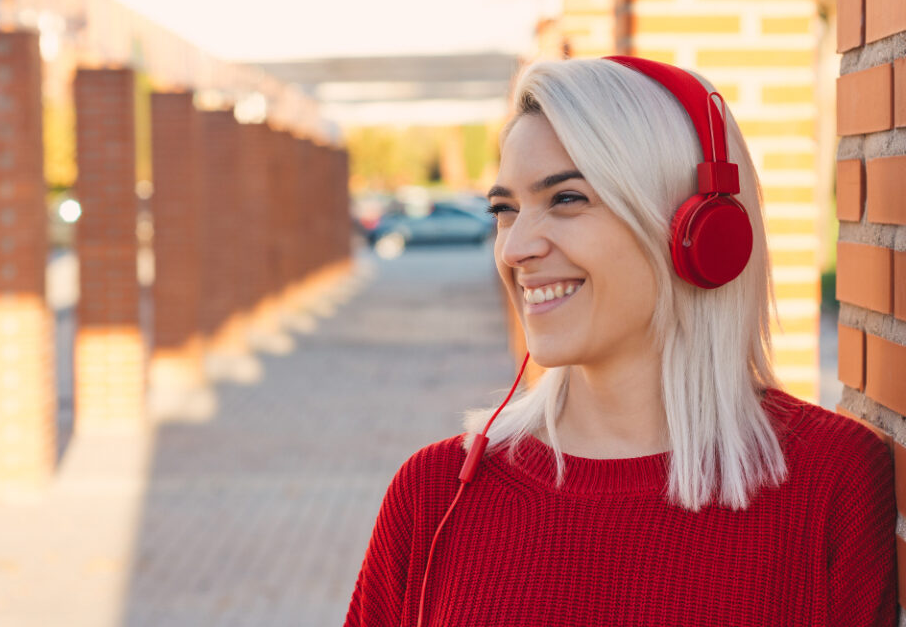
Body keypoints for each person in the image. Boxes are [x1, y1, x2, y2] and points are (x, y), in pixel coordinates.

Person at [343, 56, 897, 627]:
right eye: (505, 210)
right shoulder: (434, 495)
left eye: (566, 199)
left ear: (700, 234)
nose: (514, 249)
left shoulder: (834, 482)